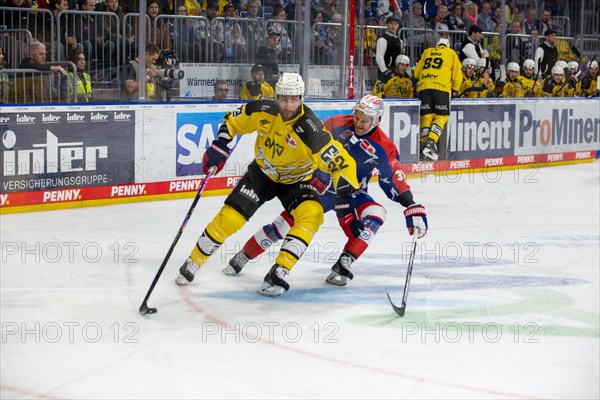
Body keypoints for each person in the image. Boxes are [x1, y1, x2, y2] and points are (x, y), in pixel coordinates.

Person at [175, 73, 360, 297]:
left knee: (313, 214)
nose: (288, 105)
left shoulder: (311, 128)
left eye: (294, 99)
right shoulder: (261, 109)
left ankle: (279, 271)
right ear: (276, 97)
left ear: (301, 98)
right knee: (231, 217)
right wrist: (220, 144)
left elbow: (340, 161)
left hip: (296, 181)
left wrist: (346, 189)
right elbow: (232, 120)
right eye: (284, 99)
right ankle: (194, 261)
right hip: (262, 173)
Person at [222, 95, 428, 286]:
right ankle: (244, 255)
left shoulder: (384, 147)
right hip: (320, 186)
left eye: (365, 120)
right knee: (283, 225)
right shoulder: (337, 122)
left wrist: (411, 204)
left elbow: (394, 177)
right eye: (357, 116)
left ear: (377, 120)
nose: (358, 122)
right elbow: (309, 143)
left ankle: (344, 262)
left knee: (377, 213)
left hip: (352, 194)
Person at [413, 37, 462, 161]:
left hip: (424, 88)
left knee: (427, 117)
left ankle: (423, 147)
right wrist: (455, 89)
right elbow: (457, 76)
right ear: (447, 45)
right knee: (441, 116)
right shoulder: (451, 53)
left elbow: (416, 73)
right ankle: (431, 142)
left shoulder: (427, 52)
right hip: (441, 88)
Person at [375, 15, 405, 84]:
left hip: (396, 73)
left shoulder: (400, 41)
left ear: (398, 25)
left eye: (395, 24)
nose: (393, 26)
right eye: (391, 24)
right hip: (385, 73)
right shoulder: (383, 39)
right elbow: (379, 57)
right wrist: (385, 71)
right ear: (387, 25)